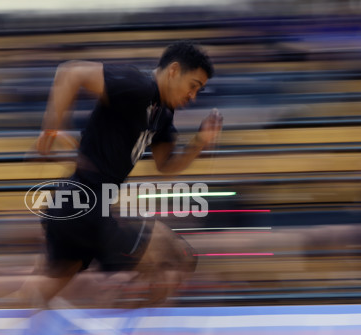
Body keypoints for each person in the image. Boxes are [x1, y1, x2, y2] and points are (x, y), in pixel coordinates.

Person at [15, 40, 223, 308]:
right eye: (193, 86)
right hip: (83, 204)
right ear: (173, 70)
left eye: (199, 91)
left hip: (81, 207)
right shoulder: (138, 86)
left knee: (39, 293)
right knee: (174, 256)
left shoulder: (163, 115)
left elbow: (166, 165)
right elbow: (71, 72)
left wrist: (199, 144)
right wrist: (51, 131)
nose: (193, 96)